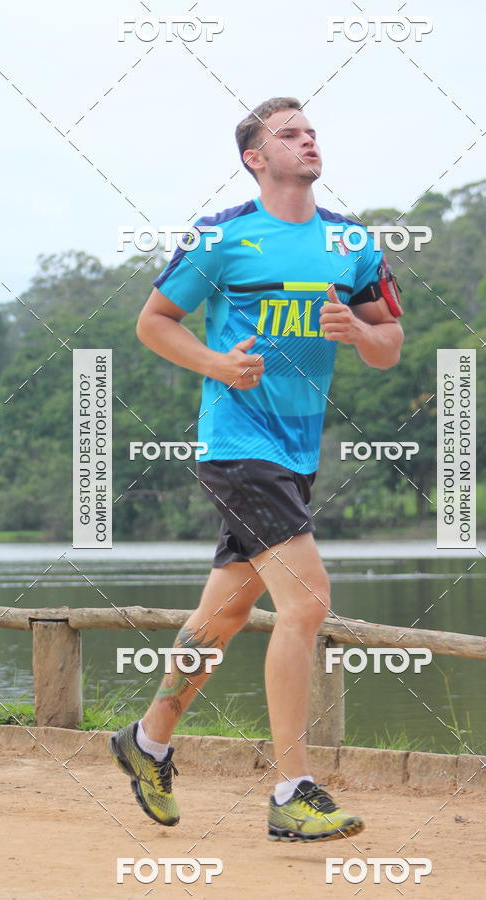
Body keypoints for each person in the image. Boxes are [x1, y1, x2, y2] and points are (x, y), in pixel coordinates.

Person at [109, 96, 404, 842]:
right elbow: (153, 323)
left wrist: (355, 333)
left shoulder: (352, 243)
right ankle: (291, 789)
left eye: (311, 132)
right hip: (237, 444)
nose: (306, 141)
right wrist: (215, 363)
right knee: (306, 602)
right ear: (254, 156)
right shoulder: (223, 236)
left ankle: (145, 742)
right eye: (288, 134)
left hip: (298, 449)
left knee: (228, 615)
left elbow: (390, 342)